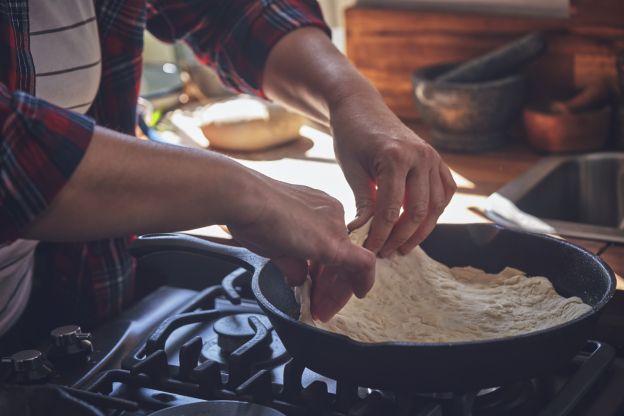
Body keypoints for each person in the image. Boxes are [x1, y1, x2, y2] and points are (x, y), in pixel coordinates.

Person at [0, 0, 456, 352]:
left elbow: (229, 10)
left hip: (51, 301)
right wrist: (239, 190)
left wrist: (350, 97)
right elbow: (12, 146)